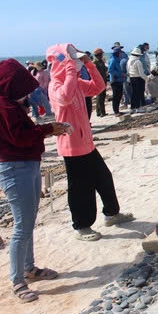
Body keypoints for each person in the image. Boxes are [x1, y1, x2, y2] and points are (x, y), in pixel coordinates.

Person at [0, 59, 70, 302]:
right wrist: (48, 129)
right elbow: (20, 137)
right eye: (21, 88)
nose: (24, 94)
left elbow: (22, 136)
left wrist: (45, 129)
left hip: (26, 165)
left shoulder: (6, 103)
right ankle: (17, 280)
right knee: (22, 226)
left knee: (29, 221)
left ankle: (29, 268)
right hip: (15, 168)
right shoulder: (0, 105)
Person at [46, 44, 134, 241]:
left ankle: (111, 213)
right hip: (71, 147)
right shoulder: (55, 86)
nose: (76, 64)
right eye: (72, 60)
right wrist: (69, 66)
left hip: (87, 143)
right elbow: (66, 98)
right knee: (80, 189)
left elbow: (99, 87)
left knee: (104, 178)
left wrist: (89, 65)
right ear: (62, 63)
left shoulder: (74, 82)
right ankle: (82, 226)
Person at [108, 47, 124, 116]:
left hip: (119, 80)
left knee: (119, 95)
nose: (121, 54)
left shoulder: (118, 59)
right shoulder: (113, 60)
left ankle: (117, 110)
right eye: (120, 53)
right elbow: (110, 70)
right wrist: (119, 74)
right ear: (117, 53)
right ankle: (116, 111)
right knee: (116, 96)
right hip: (115, 80)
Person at [92, 48, 108, 117]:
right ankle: (101, 111)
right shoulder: (94, 62)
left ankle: (99, 111)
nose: (102, 55)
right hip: (98, 82)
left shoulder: (101, 61)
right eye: (101, 54)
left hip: (103, 80)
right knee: (100, 97)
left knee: (102, 96)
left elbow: (104, 69)